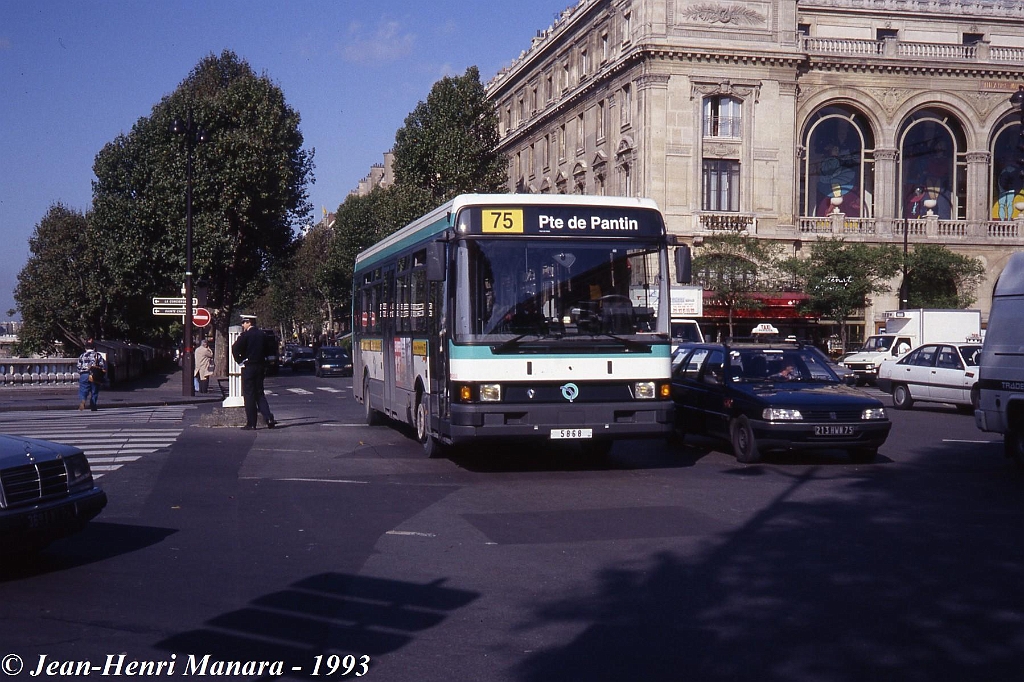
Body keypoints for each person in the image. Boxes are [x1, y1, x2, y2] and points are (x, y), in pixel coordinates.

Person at [231, 314, 275, 430]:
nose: (242, 325)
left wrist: (240, 360)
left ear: (249, 322)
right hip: (260, 366)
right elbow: (268, 350)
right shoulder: (262, 335)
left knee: (249, 394)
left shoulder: (245, 335)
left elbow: (235, 348)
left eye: (244, 322)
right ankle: (268, 417)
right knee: (260, 393)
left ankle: (251, 423)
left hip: (249, 366)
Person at [76, 338, 107, 411]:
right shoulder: (97, 355)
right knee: (94, 390)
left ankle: (83, 400)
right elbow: (102, 366)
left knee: (83, 389)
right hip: (94, 375)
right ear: (93, 348)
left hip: (84, 374)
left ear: (85, 348)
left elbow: (78, 367)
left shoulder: (82, 355)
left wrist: (81, 372)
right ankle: (93, 405)